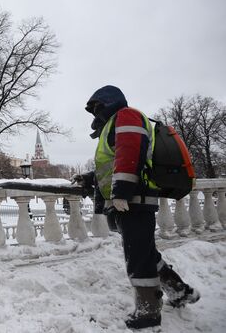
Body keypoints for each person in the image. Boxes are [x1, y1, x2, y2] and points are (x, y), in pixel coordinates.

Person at [72, 85, 200, 330]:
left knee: (138, 259)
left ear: (109, 102)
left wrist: (122, 191)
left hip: (134, 202)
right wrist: (89, 178)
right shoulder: (113, 125)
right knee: (146, 253)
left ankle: (149, 313)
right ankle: (180, 291)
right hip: (130, 202)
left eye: (98, 107)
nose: (95, 113)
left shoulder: (126, 116)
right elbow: (112, 164)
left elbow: (131, 155)